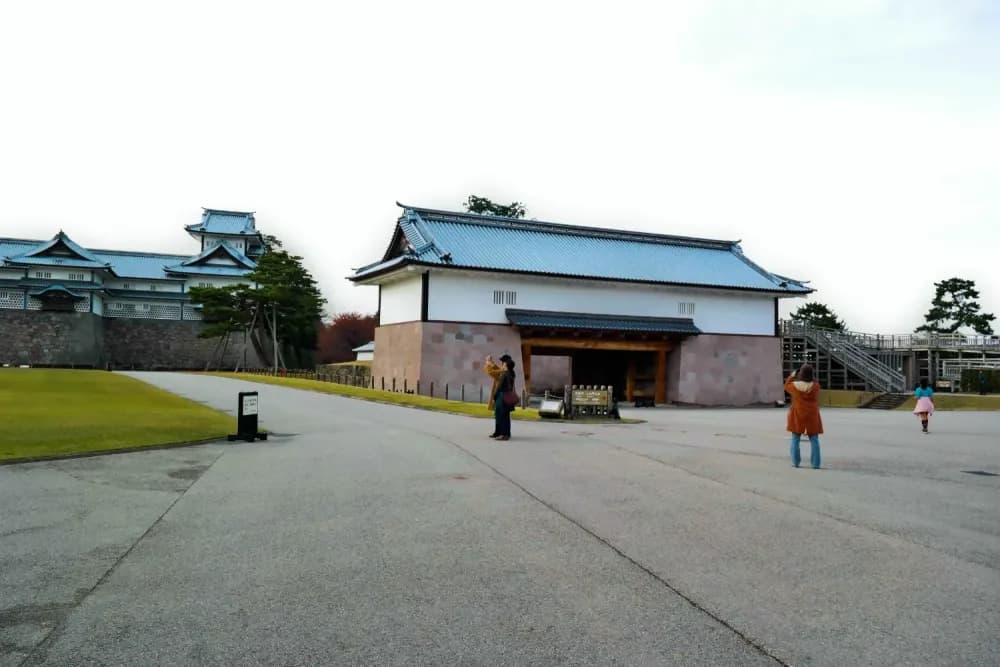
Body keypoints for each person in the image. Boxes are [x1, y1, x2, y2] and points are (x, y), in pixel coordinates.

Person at [785, 364, 823, 469]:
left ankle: (795, 462)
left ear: (800, 374)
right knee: (814, 439)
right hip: (812, 415)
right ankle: (815, 464)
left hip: (798, 414)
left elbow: (786, 385)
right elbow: (815, 382)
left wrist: (792, 375)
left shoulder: (794, 386)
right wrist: (811, 377)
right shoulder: (815, 387)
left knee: (795, 439)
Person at [484, 354, 512, 438]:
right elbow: (499, 371)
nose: (502, 363)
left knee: (503, 415)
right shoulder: (505, 372)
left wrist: (490, 363)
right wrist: (491, 364)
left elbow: (493, 372)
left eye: (503, 362)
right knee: (498, 414)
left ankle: (505, 433)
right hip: (501, 395)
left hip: (503, 395)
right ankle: (499, 432)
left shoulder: (508, 373)